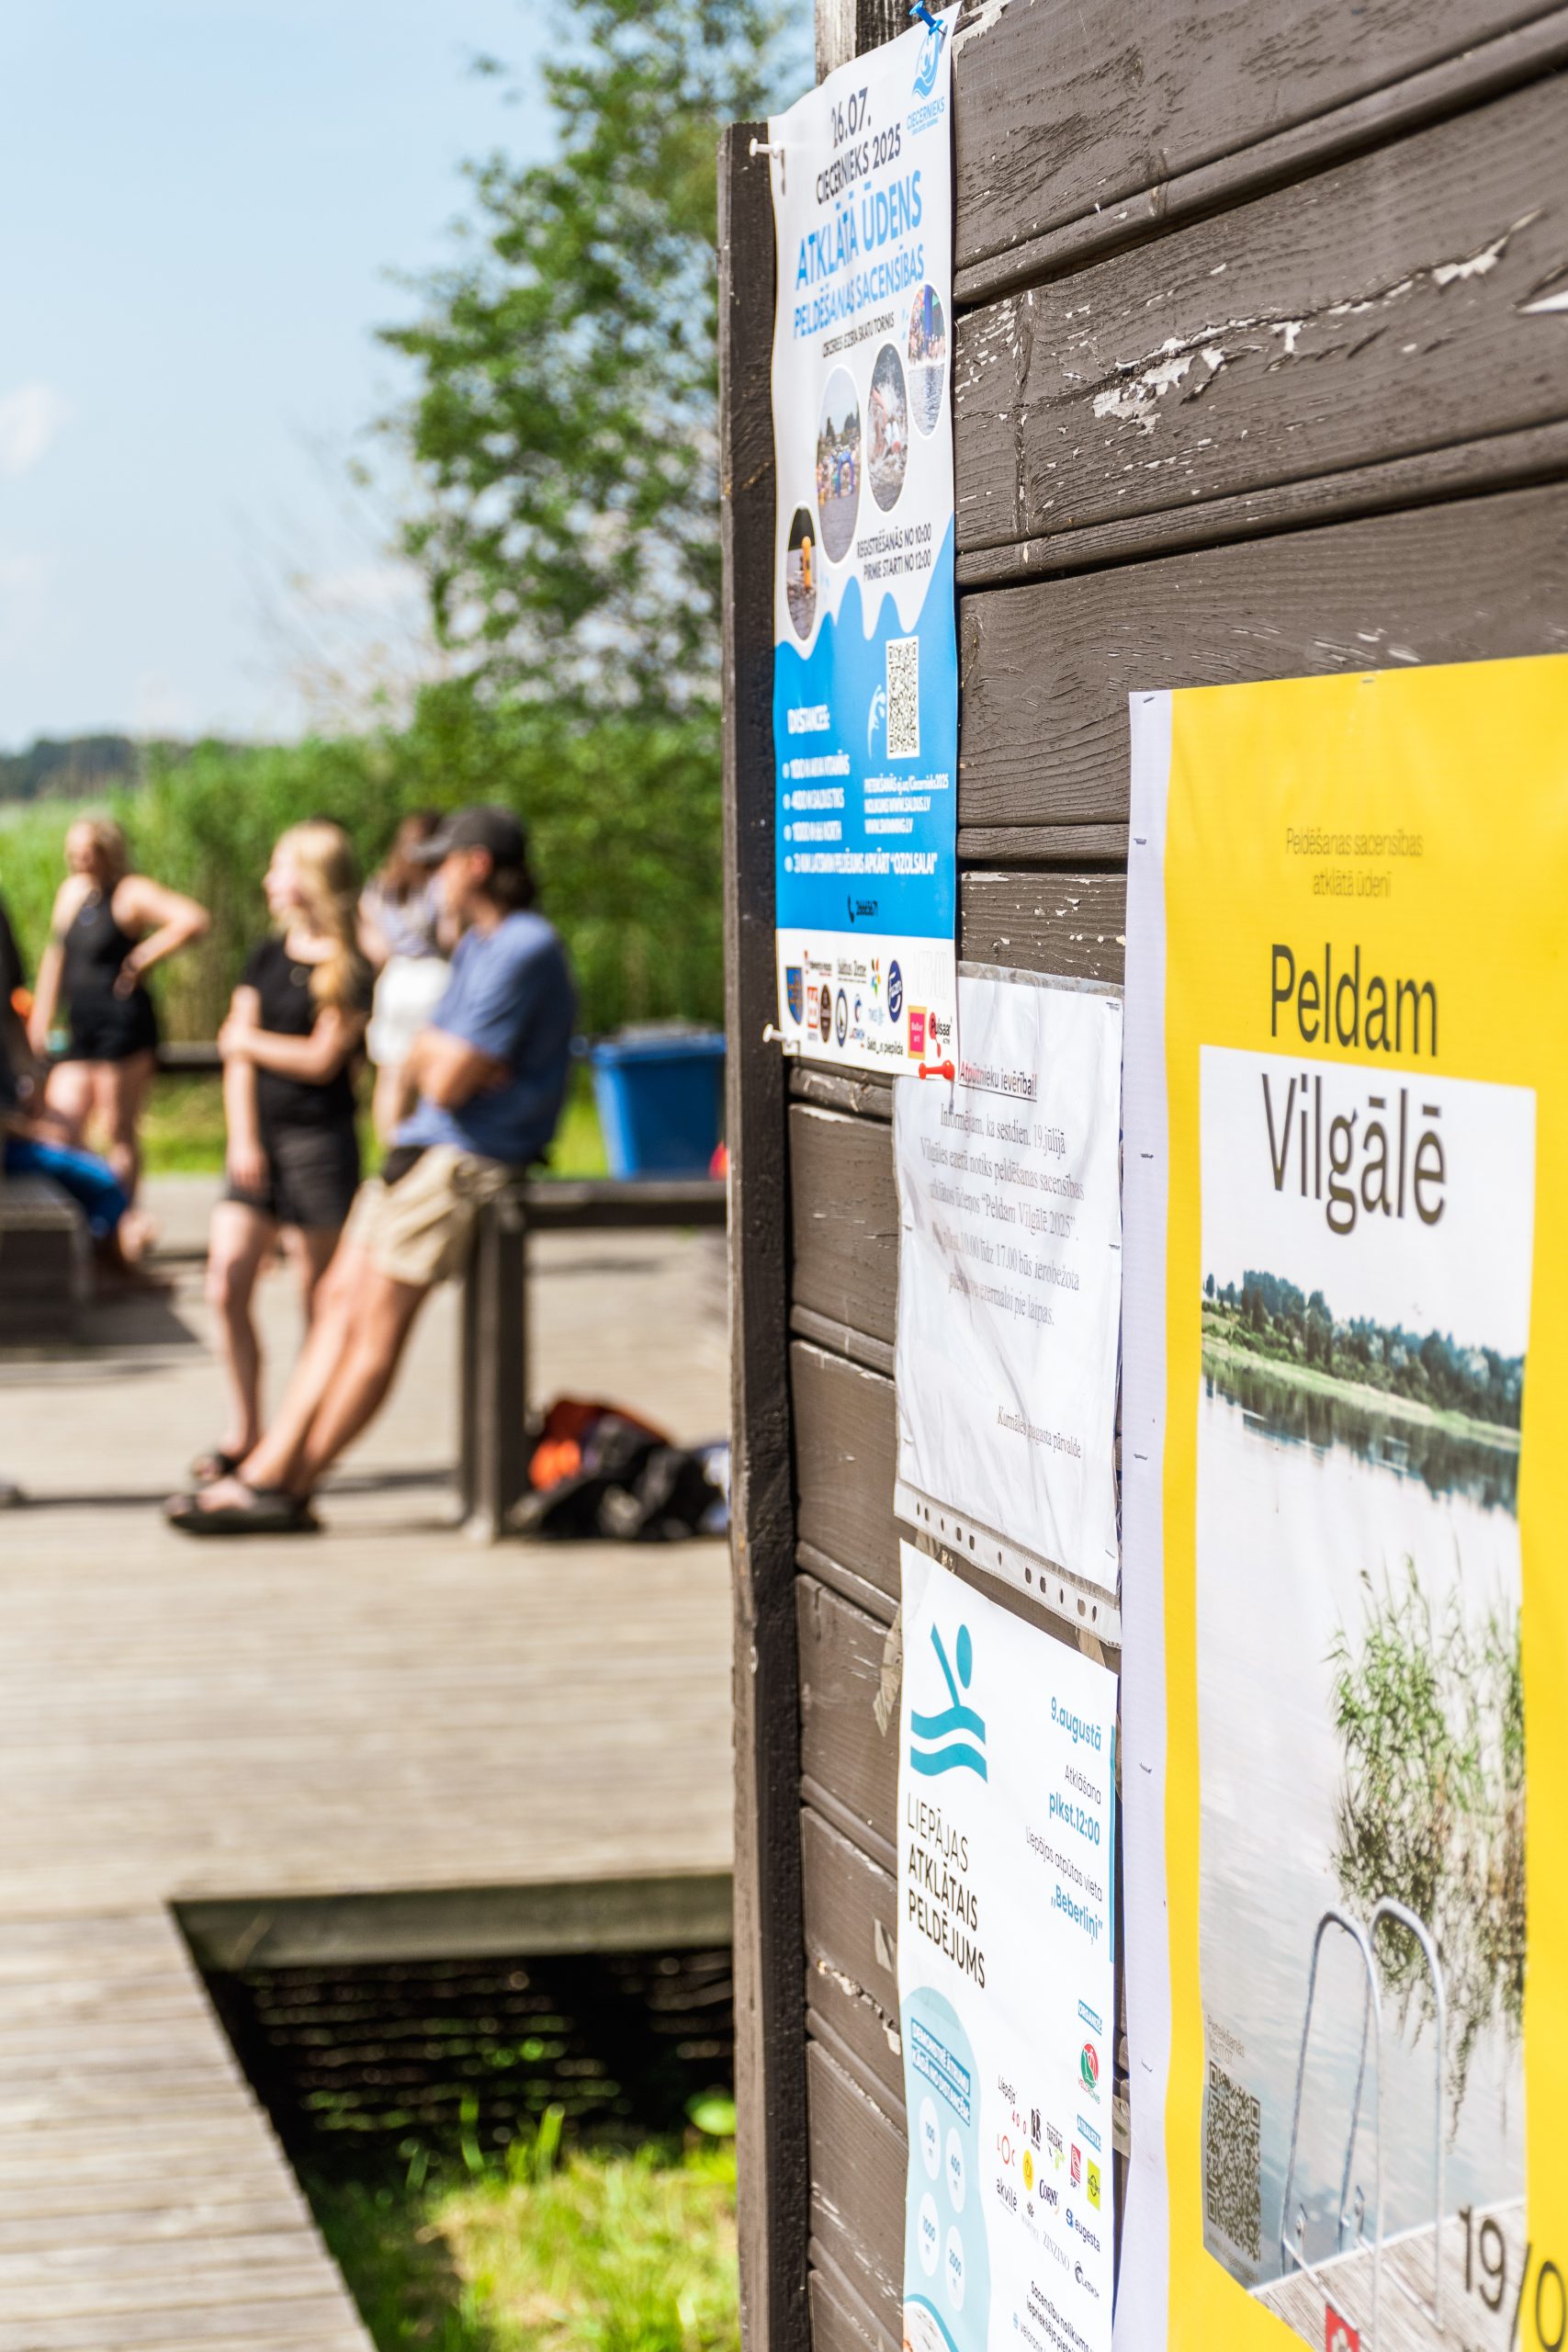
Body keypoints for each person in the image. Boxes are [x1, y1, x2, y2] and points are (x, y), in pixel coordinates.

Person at [164, 805, 575, 1535]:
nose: (431, 879)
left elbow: (441, 1074)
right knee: (335, 1304)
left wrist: (436, 1056)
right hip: (419, 1149)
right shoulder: (476, 944)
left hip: (464, 1160)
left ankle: (290, 1485)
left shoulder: (523, 947)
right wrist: (436, 1055)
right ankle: (268, 1469)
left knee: (374, 1330)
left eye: (442, 865)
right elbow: (422, 1057)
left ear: (477, 865)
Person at [195, 821, 374, 1485]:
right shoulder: (266, 956)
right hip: (259, 1144)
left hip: (320, 1145)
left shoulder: (350, 965)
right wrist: (242, 1136)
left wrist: (246, 1041)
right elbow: (234, 1057)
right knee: (225, 1283)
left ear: (312, 878)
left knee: (318, 1299)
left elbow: (322, 1059)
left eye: (280, 868)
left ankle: (300, 1440)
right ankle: (245, 1432)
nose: (269, 882)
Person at [28, 818, 209, 1201]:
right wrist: (40, 1019)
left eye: (88, 853)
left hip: (122, 1026)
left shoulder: (131, 892)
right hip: (81, 1026)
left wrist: (143, 957)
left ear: (109, 852)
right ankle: (91, 1206)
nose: (80, 861)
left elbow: (193, 919)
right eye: (74, 853)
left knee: (116, 1127)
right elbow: (55, 957)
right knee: (60, 1123)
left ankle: (121, 1219)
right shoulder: (72, 892)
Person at [358, 809, 450, 1144]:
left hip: (395, 979)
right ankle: (429, 1150)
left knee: (391, 1077)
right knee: (434, 1075)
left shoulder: (381, 885)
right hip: (436, 976)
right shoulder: (440, 883)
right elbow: (449, 936)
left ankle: (392, 1152)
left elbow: (374, 945)